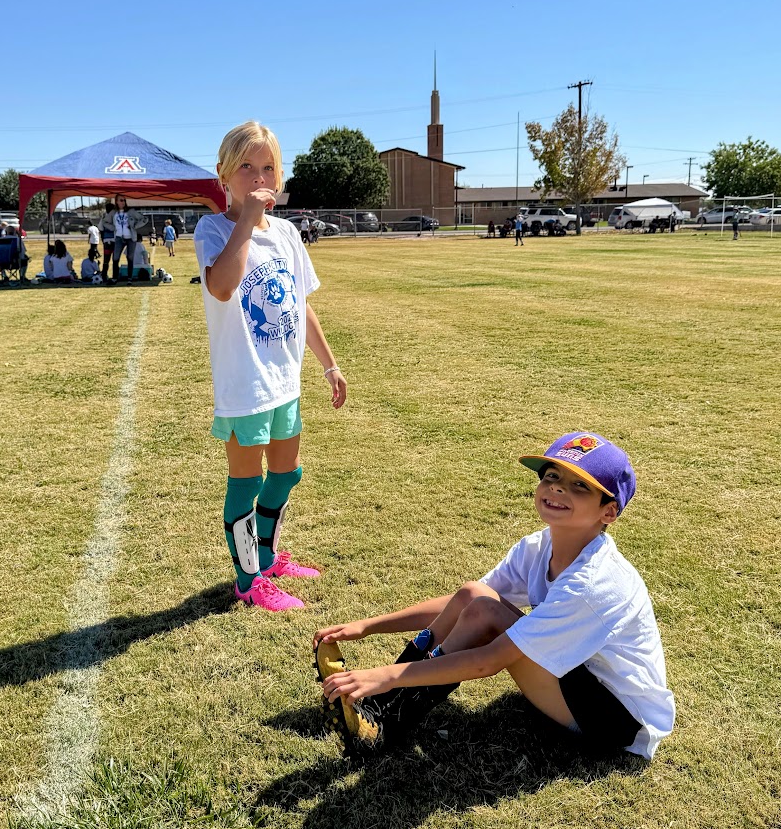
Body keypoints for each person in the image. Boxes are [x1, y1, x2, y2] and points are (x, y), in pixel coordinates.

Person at [315, 431, 675, 762]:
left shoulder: (592, 583)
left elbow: (489, 660)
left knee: (485, 611)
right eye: (552, 475)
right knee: (475, 594)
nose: (558, 489)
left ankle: (387, 721)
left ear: (608, 511)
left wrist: (386, 675)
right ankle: (380, 704)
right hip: (574, 678)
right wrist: (368, 626)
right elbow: (465, 604)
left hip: (618, 721)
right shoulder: (539, 547)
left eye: (580, 486)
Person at [193, 121, 348, 612]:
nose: (257, 176)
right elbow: (221, 286)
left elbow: (301, 306)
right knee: (247, 480)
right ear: (223, 173)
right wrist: (246, 221)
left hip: (286, 382)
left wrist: (329, 366)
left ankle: (267, 554)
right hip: (245, 386)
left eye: (267, 168)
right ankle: (247, 580)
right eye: (246, 167)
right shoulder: (212, 229)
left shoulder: (286, 233)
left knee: (286, 473)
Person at [111, 194, 143, 284]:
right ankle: (114, 278)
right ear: (116, 201)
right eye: (121, 200)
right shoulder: (114, 213)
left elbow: (143, 219)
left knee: (130, 258)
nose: (123, 202)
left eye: (124, 200)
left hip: (130, 238)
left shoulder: (130, 212)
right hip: (118, 238)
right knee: (115, 258)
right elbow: (106, 222)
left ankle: (130, 278)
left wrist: (134, 226)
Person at [98, 202, 116, 283]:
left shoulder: (104, 217)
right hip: (115, 241)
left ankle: (104, 276)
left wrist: (103, 238)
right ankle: (115, 276)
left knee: (106, 260)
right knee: (115, 259)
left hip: (106, 241)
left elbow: (100, 228)